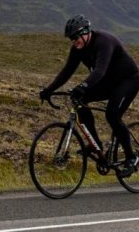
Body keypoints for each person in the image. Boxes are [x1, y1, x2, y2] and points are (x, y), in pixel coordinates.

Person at [40, 14, 139, 178]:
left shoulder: (104, 42)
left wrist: (83, 86)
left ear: (86, 32)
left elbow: (100, 70)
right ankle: (95, 144)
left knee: (113, 116)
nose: (73, 41)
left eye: (75, 37)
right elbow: (66, 72)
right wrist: (49, 90)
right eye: (71, 39)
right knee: (79, 100)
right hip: (108, 82)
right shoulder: (77, 50)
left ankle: (131, 157)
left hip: (128, 80)